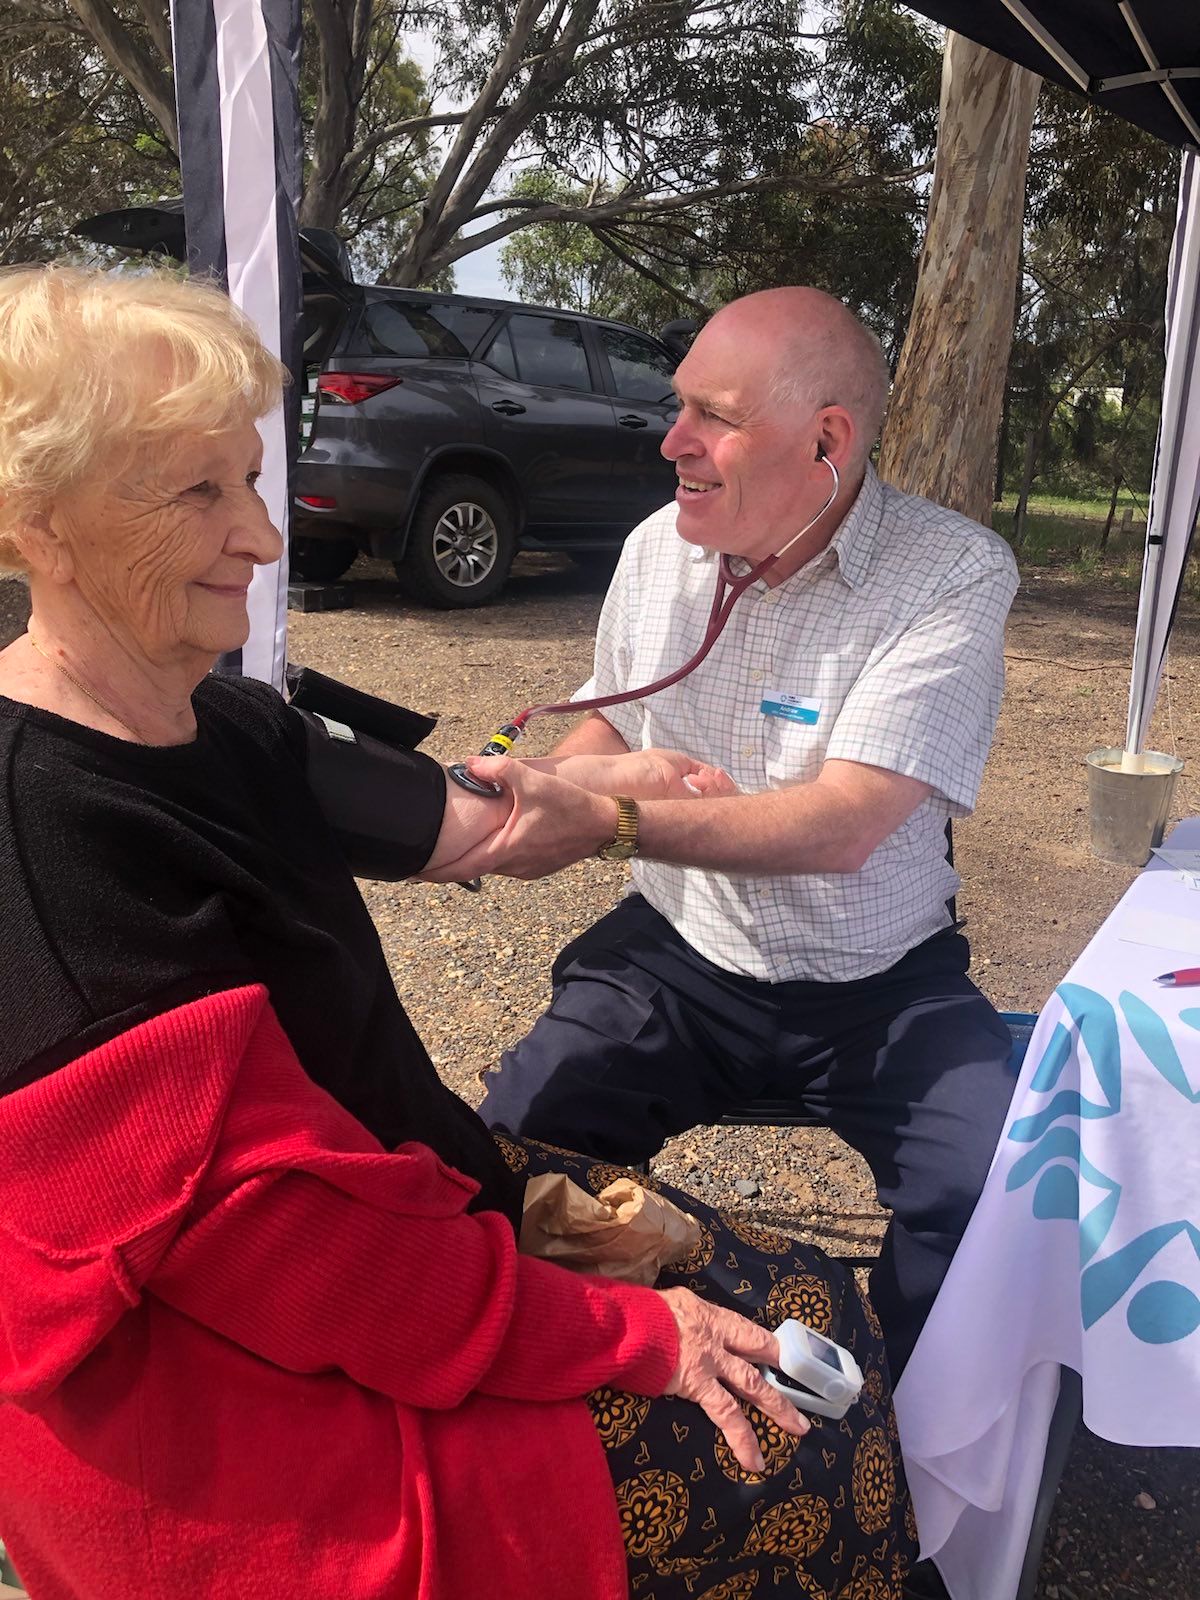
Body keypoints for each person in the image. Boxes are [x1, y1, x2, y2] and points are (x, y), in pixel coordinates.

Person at [0, 265, 916, 1600]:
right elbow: (308, 1272)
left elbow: (475, 819)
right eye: (197, 493)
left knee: (817, 1307)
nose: (260, 542)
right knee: (806, 1439)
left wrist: (627, 796)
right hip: (272, 1417)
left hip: (415, 1237)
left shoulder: (226, 719)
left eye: (252, 483)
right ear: (42, 526)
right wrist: (629, 1334)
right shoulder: (44, 850)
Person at [436, 286, 1022, 1380]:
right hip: (683, 956)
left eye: (714, 416)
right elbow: (612, 712)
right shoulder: (660, 545)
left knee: (990, 1186)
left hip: (880, 978)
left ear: (827, 441)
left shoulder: (952, 573)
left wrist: (608, 822)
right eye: (678, 409)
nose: (673, 443)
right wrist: (526, 791)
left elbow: (847, 824)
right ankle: (602, 1374)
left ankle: (882, 1419)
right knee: (510, 1147)